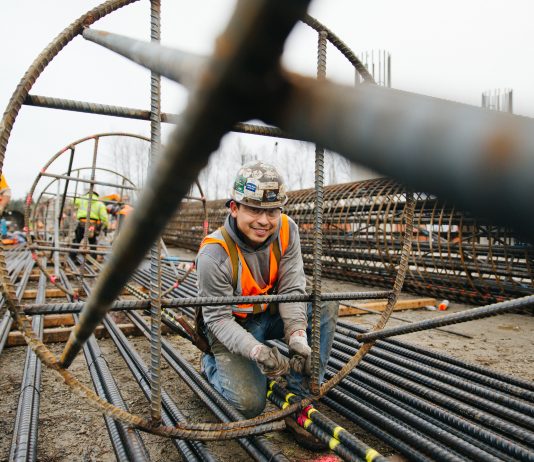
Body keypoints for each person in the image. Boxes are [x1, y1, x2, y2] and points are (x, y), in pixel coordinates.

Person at [195, 161, 338, 449]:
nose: (264, 220)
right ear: (234, 208)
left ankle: (299, 400)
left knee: (326, 304)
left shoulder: (287, 231)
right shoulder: (215, 253)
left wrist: (298, 337)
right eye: (254, 209)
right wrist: (257, 351)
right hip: (231, 326)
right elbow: (218, 319)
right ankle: (211, 366)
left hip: (268, 315)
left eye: (271, 211)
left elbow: (293, 288)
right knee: (248, 406)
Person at [70, 189, 109, 260]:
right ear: (97, 195)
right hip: (92, 225)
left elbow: (72, 201)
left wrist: (78, 196)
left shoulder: (82, 199)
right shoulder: (100, 204)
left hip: (82, 223)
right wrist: (106, 225)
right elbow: (104, 217)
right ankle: (92, 259)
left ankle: (72, 257)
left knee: (77, 240)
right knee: (92, 242)